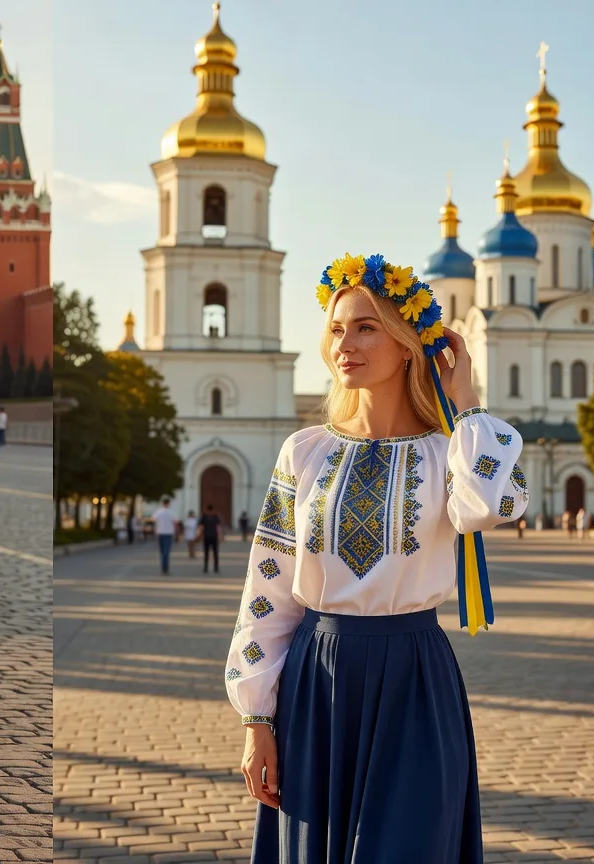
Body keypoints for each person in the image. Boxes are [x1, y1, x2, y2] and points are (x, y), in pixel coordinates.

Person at [228, 254, 528, 862]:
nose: (347, 343)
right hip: (318, 681)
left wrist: (465, 401)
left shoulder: (450, 453)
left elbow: (496, 504)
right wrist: (257, 719)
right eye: (338, 329)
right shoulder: (304, 453)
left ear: (408, 344)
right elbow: (268, 589)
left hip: (415, 681)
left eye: (367, 327)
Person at [152, 497, 177, 574]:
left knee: (162, 551)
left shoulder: (158, 511)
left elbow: (153, 519)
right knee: (166, 551)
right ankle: (165, 567)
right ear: (168, 503)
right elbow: (175, 522)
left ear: (162, 503)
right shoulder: (171, 512)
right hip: (169, 533)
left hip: (160, 533)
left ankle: (163, 566)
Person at [200, 504, 223, 573]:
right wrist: (219, 536)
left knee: (206, 553)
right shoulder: (215, 516)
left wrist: (199, 535)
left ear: (207, 509)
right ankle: (216, 569)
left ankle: (205, 568)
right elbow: (218, 527)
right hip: (214, 537)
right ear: (212, 509)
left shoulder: (204, 516)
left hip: (206, 537)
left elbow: (201, 527)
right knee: (215, 553)